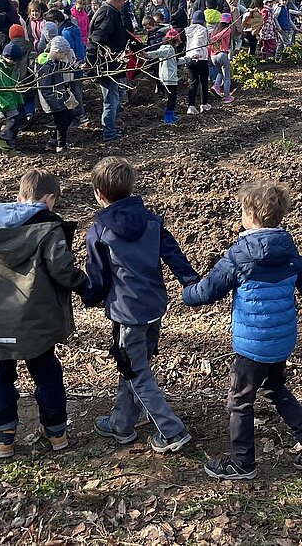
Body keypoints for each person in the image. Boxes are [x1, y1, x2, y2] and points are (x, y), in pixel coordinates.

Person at [183, 179, 302, 481]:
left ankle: (242, 462)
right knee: (274, 388)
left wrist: (187, 294)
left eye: (243, 212)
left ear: (252, 216)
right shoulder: (289, 252)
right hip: (281, 341)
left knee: (239, 399)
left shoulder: (241, 254)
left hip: (253, 344)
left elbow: (209, 288)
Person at [0, 169, 87, 458]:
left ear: (20, 196)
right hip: (36, 317)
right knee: (45, 369)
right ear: (50, 199)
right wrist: (88, 287)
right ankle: (56, 430)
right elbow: (63, 270)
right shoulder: (49, 228)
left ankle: (4, 435)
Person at [83, 157, 200, 453]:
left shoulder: (99, 231)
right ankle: (121, 424)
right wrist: (191, 284)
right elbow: (175, 256)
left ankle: (172, 431)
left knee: (136, 372)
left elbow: (97, 278)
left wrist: (88, 296)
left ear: (98, 194)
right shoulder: (151, 222)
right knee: (133, 366)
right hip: (153, 309)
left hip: (126, 315)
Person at [89, 0, 131, 141]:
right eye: (124, 0)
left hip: (115, 64)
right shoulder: (107, 14)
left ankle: (111, 126)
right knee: (111, 99)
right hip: (107, 66)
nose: (125, 3)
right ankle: (109, 133)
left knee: (118, 95)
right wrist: (94, 66)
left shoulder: (111, 12)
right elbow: (96, 41)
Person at [37, 36, 80, 153]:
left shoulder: (56, 63)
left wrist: (76, 66)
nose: (65, 57)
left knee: (69, 116)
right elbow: (44, 88)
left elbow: (64, 68)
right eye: (63, 54)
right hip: (54, 101)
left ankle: (53, 141)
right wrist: (55, 104)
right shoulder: (46, 67)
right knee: (61, 122)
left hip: (60, 98)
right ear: (56, 51)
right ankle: (61, 146)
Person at [0, 42, 25, 154]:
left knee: (19, 120)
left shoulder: (10, 65)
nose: (14, 63)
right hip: (4, 100)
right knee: (15, 119)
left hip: (13, 97)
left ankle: (9, 146)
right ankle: (2, 137)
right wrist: (2, 103)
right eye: (13, 60)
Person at [184, 10, 212, 115]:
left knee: (193, 82)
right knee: (204, 82)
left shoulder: (188, 30)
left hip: (190, 59)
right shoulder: (202, 29)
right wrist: (197, 53)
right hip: (200, 58)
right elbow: (199, 41)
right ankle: (204, 104)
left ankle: (191, 106)